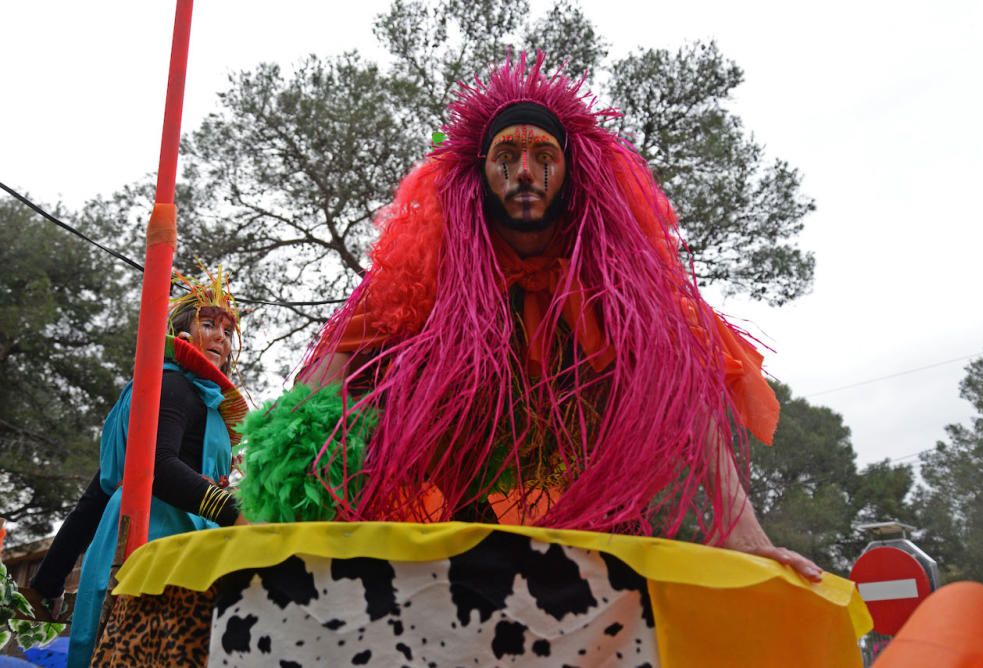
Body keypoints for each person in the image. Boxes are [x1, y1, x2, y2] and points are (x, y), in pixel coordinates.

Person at [297, 54, 821, 581]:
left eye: (543, 154)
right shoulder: (428, 267)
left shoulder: (620, 278)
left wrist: (744, 534)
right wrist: (283, 500)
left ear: (573, 172)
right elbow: (322, 385)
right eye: (507, 154)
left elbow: (694, 389)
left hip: (591, 510)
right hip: (460, 507)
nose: (525, 171)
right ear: (478, 173)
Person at [48, 268, 249, 667]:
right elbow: (157, 467)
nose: (221, 337)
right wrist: (234, 511)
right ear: (183, 336)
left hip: (175, 535)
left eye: (227, 331)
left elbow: (95, 498)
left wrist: (46, 581)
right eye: (208, 324)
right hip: (158, 539)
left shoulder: (198, 398)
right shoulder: (173, 385)